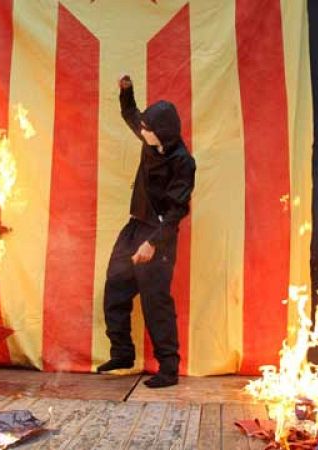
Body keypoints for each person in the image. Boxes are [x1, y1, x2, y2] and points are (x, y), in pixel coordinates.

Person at [96, 75, 196, 388]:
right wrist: (127, 92)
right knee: (115, 286)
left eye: (148, 129)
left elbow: (178, 211)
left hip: (160, 236)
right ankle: (123, 354)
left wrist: (153, 244)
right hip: (135, 226)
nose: (142, 130)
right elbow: (131, 114)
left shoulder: (183, 163)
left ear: (162, 133)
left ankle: (168, 369)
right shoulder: (149, 139)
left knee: (155, 302)